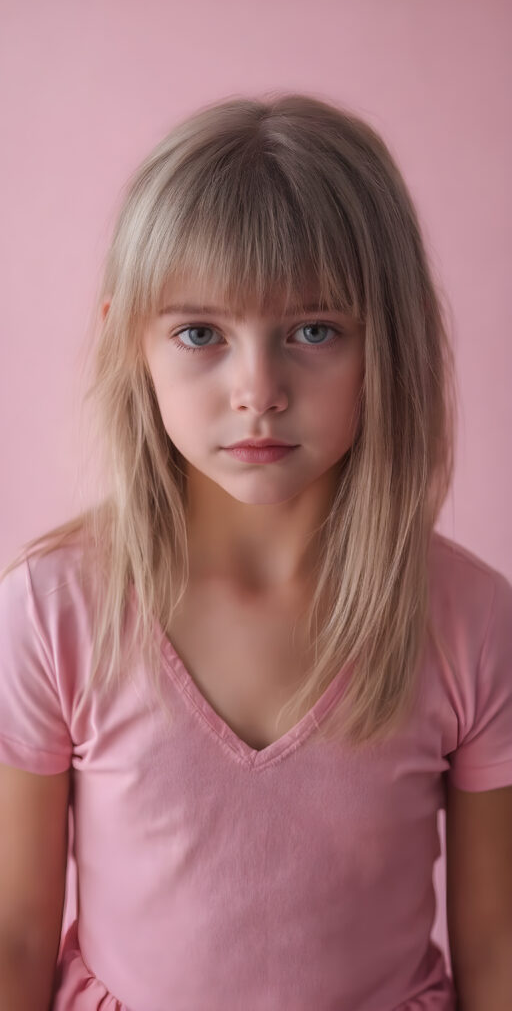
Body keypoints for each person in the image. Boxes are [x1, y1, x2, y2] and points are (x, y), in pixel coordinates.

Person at [0, 92, 511, 1011]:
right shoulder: (53, 609)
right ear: (132, 341)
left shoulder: (472, 623)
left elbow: (497, 945)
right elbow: (17, 932)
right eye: (201, 333)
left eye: (314, 331)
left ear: (385, 342)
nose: (259, 390)